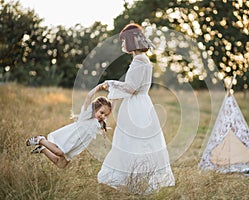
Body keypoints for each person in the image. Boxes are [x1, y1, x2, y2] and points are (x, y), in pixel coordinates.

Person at [97, 23, 175, 193]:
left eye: (124, 41)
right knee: (139, 142)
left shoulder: (139, 60)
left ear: (131, 42)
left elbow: (131, 88)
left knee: (133, 142)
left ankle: (135, 181)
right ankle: (136, 179)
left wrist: (111, 83)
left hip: (136, 106)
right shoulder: (142, 60)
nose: (122, 44)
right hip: (142, 103)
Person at [26, 85, 112, 169]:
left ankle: (43, 149)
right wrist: (99, 87)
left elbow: (110, 111)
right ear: (95, 108)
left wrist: (116, 94)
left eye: (105, 115)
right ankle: (40, 140)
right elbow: (88, 97)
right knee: (58, 152)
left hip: (75, 145)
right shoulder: (86, 115)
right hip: (70, 138)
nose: (103, 116)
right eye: (101, 112)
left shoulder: (99, 123)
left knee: (61, 164)